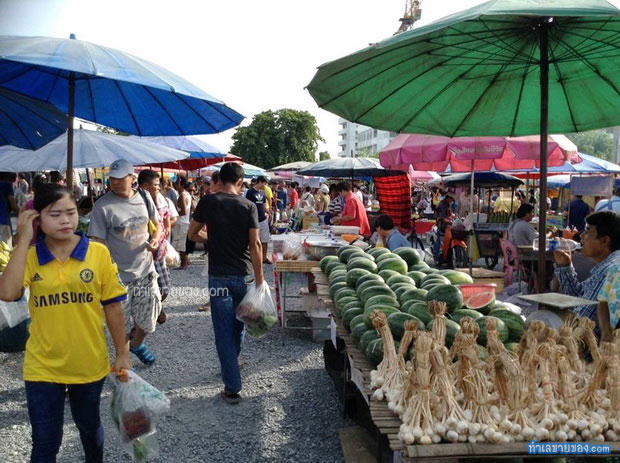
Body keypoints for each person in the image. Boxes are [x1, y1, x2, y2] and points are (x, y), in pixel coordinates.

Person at [0, 183, 130, 462]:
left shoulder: (97, 253)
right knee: (45, 442)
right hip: (42, 365)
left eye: (70, 212)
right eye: (55, 214)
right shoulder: (32, 256)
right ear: (37, 218)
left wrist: (122, 352)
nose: (65, 220)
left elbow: (113, 307)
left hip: (88, 362)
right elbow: (8, 293)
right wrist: (23, 240)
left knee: (88, 427)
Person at [187, 162, 265, 405]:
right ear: (241, 182)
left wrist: (213, 238)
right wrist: (261, 279)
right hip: (244, 275)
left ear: (221, 179)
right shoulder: (249, 205)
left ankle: (232, 385)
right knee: (240, 323)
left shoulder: (208, 201)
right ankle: (233, 365)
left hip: (218, 277)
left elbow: (192, 234)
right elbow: (255, 245)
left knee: (222, 330)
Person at [88, 159, 162, 366]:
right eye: (112, 179)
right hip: (118, 277)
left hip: (146, 271)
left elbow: (158, 224)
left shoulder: (145, 198)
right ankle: (124, 360)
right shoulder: (102, 206)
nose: (116, 183)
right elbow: (97, 242)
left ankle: (137, 344)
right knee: (119, 323)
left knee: (148, 319)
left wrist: (155, 238)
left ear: (132, 178)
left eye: (121, 179)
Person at [553, 211, 620, 333]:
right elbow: (579, 297)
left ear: (605, 241)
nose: (582, 236)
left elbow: (582, 320)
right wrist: (565, 266)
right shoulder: (606, 266)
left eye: (587, 231)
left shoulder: (610, 269)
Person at [138, 170, 172, 319]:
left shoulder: (160, 199)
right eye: (156, 185)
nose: (159, 188)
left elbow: (164, 221)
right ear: (145, 186)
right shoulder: (136, 202)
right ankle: (147, 314)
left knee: (165, 287)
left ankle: (156, 306)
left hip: (158, 249)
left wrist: (166, 228)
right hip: (142, 252)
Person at [245, 176, 271, 264]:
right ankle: (255, 258)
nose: (265, 186)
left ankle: (264, 257)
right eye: (264, 184)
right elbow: (247, 205)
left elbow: (263, 204)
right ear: (259, 182)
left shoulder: (263, 192)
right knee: (255, 240)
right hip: (254, 219)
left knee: (265, 239)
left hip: (263, 218)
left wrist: (268, 212)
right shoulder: (250, 192)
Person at [173, 175, 192, 269]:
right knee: (182, 243)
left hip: (181, 222)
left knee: (181, 245)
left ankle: (183, 264)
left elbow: (183, 211)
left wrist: (174, 213)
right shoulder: (187, 194)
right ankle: (186, 261)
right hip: (185, 222)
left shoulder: (182, 196)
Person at [0, 172, 19, 244]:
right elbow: (13, 204)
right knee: (5, 248)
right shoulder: (6, 185)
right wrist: (21, 212)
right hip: (2, 220)